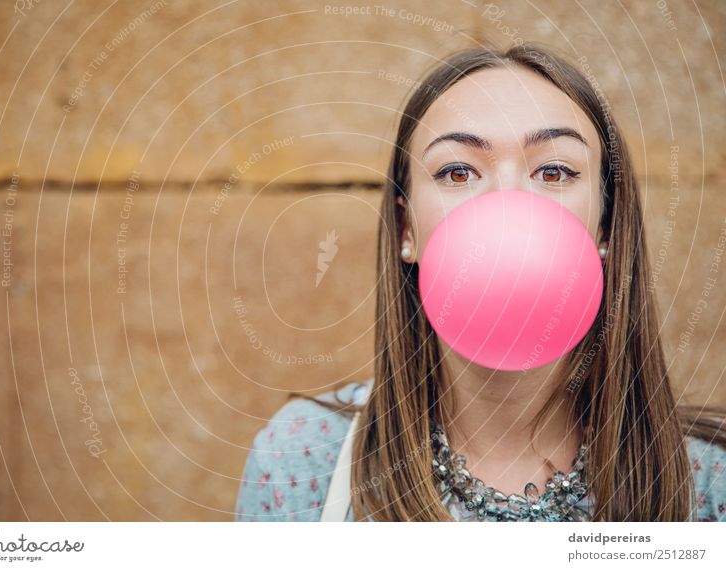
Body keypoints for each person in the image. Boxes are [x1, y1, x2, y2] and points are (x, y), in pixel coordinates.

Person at [234, 43, 726, 522]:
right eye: (456, 172)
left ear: (606, 226)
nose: (508, 200)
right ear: (407, 230)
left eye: (554, 171)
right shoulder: (302, 462)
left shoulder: (707, 487)